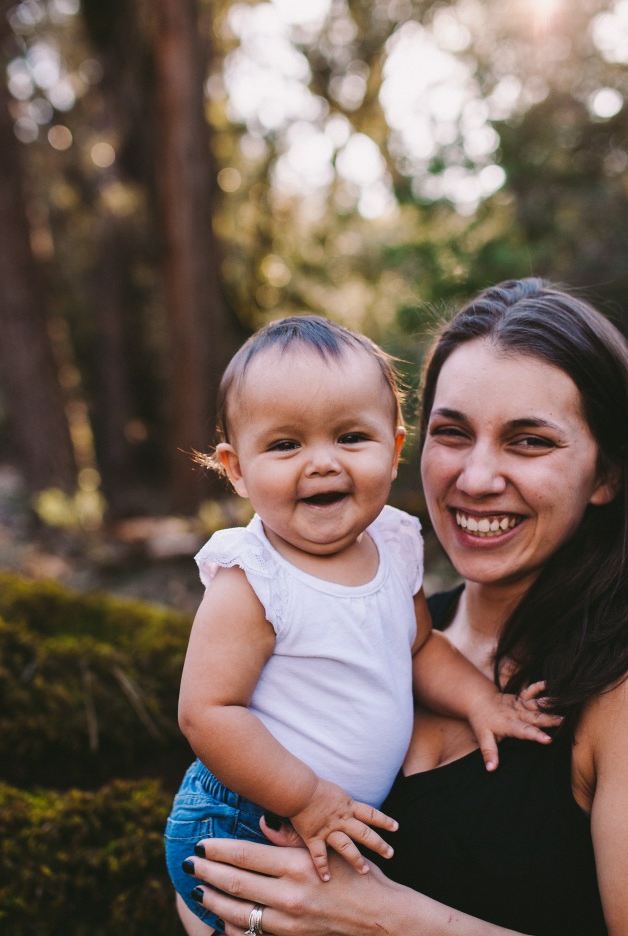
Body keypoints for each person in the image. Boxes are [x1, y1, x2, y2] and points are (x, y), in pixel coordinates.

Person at [182, 280, 628, 935]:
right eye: (453, 433)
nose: (475, 478)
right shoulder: (376, 628)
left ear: (606, 474)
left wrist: (392, 923)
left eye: (529, 441)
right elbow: (217, 850)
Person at [165, 314, 561, 935]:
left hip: (325, 822)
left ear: (396, 447)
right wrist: (305, 798)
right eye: (285, 445)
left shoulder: (395, 543)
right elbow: (207, 713)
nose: (322, 464)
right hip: (250, 814)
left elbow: (419, 646)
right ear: (236, 467)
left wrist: (483, 702)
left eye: (351, 437)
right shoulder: (253, 578)